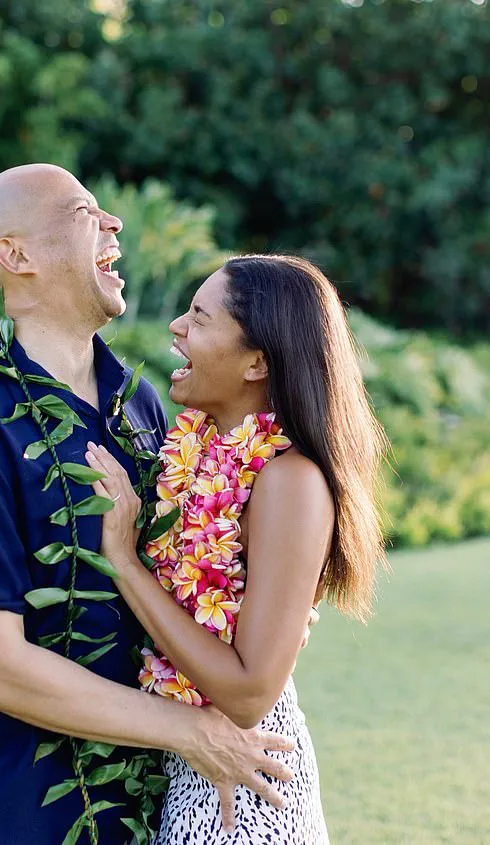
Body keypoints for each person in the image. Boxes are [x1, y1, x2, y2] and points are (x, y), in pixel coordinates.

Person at [0, 165, 310, 845]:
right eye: (85, 211)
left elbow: (189, 575)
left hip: (117, 814)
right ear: (17, 256)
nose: (114, 224)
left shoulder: (139, 406)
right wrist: (194, 730)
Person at [84, 255, 388, 843]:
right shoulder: (195, 455)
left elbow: (249, 695)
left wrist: (123, 561)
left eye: (198, 317)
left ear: (257, 362)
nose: (176, 327)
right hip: (194, 767)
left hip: (245, 789)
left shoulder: (289, 479)